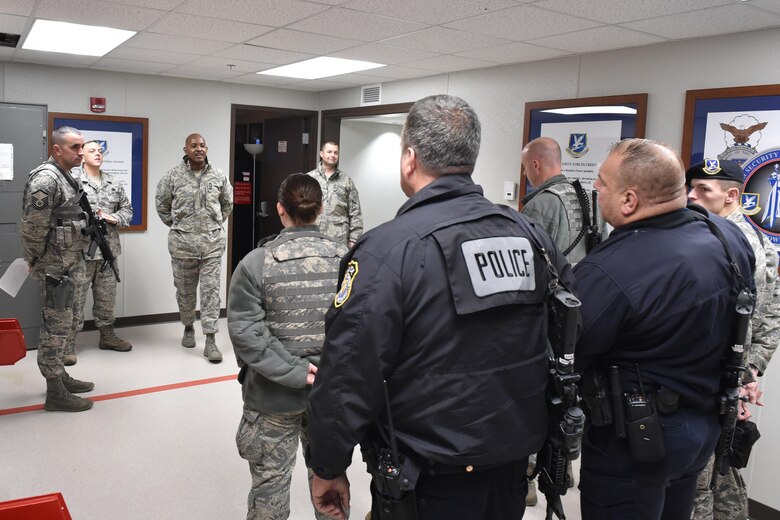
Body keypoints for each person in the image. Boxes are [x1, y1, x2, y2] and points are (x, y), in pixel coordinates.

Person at [305, 94, 574, 520]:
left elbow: (348, 374)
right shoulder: (530, 236)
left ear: (409, 159)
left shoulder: (387, 251)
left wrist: (327, 464)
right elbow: (567, 336)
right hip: (509, 468)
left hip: (427, 482)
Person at [574, 139, 756, 519]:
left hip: (635, 440)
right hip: (701, 429)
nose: (595, 188)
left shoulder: (611, 270)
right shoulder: (727, 237)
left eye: (602, 183)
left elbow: (568, 354)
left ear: (629, 200)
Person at [228, 172, 347, 520]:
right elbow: (360, 327)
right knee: (332, 485)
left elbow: (247, 332)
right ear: (321, 209)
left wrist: (296, 371)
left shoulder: (256, 263)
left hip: (271, 397)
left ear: (281, 209)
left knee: (270, 489)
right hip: (332, 396)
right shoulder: (348, 259)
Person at [686, 159, 780, 520]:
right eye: (690, 189)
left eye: (703, 190)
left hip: (713, 379)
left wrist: (742, 374)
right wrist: (750, 371)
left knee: (699, 481)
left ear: (732, 195)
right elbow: (771, 318)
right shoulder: (748, 237)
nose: (692, 196)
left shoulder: (728, 243)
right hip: (731, 377)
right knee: (719, 472)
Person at [20, 126, 95, 412]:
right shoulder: (46, 179)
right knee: (55, 327)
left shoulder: (67, 177)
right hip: (56, 267)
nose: (80, 152)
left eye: (81, 146)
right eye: (75, 147)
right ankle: (54, 391)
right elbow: (33, 229)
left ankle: (61, 376)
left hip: (71, 262)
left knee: (68, 322)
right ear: (57, 149)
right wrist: (38, 261)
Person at [156, 133, 233, 363]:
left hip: (211, 245)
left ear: (206, 148)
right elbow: (162, 206)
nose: (199, 149)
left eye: (202, 145)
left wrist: (213, 224)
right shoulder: (173, 176)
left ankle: (210, 340)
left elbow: (227, 204)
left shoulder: (218, 175)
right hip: (183, 246)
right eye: (194, 146)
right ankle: (188, 326)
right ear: (186, 149)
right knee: (185, 292)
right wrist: (181, 227)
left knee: (211, 293)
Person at [63, 139, 134, 366]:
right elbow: (60, 213)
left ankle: (107, 336)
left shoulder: (113, 182)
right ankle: (69, 343)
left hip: (107, 252)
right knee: (75, 301)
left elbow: (127, 210)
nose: (97, 154)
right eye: (91, 150)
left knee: (107, 299)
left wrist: (113, 218)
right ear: (81, 154)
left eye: (100, 151)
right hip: (79, 253)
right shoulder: (72, 181)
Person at [521, 136, 589, 264]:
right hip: (588, 281)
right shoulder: (591, 201)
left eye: (525, 166)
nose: (524, 172)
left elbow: (527, 262)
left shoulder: (537, 206)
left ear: (536, 165)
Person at [307, 141, 363, 247]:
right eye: (329, 152)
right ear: (321, 154)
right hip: (313, 237)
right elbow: (301, 208)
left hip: (338, 240)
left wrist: (353, 239)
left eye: (335, 153)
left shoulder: (346, 181)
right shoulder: (309, 178)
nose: (333, 155)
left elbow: (355, 212)